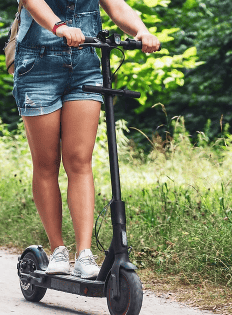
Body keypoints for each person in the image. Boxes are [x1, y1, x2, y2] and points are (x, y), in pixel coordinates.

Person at [13, 0, 160, 279]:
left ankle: (84, 254)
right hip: (37, 65)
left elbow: (117, 7)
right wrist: (60, 27)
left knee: (79, 160)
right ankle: (58, 249)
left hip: (85, 65)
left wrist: (141, 31)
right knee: (46, 163)